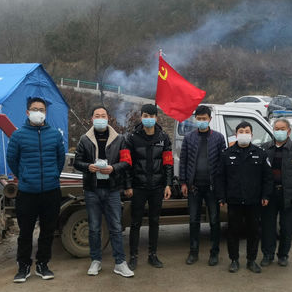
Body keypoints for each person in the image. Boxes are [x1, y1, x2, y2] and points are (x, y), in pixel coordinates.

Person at [6, 97, 65, 283]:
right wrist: (24, 176)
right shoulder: (18, 135)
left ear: (46, 113)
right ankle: (23, 266)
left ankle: (42, 264)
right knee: (25, 232)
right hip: (27, 192)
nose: (38, 112)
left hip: (51, 191)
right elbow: (12, 159)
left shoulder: (55, 135)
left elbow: (60, 159)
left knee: (48, 231)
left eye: (41, 109)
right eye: (35, 109)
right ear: (27, 112)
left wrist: (53, 175)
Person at [74, 105, 134, 278]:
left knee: (115, 226)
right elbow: (77, 162)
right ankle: (96, 260)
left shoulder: (119, 139)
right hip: (92, 190)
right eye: (97, 115)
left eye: (103, 115)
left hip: (112, 189)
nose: (100, 118)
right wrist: (88, 166)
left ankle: (120, 262)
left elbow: (127, 162)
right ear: (92, 119)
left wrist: (113, 168)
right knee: (94, 228)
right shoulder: (84, 139)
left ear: (109, 118)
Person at [216, 121, 273, 273]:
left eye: (247, 132)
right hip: (234, 200)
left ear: (252, 135)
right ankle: (234, 260)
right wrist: (221, 197)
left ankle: (251, 260)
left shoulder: (260, 154)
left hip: (253, 201)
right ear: (236, 134)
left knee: (253, 232)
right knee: (233, 231)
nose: (244, 134)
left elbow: (268, 178)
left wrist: (266, 195)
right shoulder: (226, 154)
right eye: (241, 132)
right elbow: (220, 178)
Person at [125, 104, 173, 270]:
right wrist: (128, 185)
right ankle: (133, 257)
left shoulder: (163, 137)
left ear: (156, 118)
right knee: (135, 223)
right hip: (138, 187)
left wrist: (168, 184)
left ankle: (153, 255)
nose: (149, 119)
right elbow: (127, 163)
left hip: (157, 187)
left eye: (152, 116)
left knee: (154, 221)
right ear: (141, 117)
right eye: (145, 115)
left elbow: (168, 163)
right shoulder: (132, 138)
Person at [179, 105, 226, 266]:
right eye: (198, 119)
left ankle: (214, 253)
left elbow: (222, 164)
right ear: (195, 119)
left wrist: (221, 186)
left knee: (214, 220)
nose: (201, 121)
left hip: (212, 188)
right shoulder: (189, 138)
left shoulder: (218, 138)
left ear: (210, 119)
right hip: (194, 187)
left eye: (204, 119)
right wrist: (183, 182)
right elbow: (183, 161)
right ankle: (193, 252)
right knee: (193, 220)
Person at [261, 118, 292, 267]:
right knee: (268, 227)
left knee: (287, 227)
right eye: (276, 129)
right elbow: (260, 173)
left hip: (288, 194)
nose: (279, 132)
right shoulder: (265, 148)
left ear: (289, 131)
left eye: (282, 129)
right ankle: (267, 255)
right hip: (269, 194)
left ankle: (283, 255)